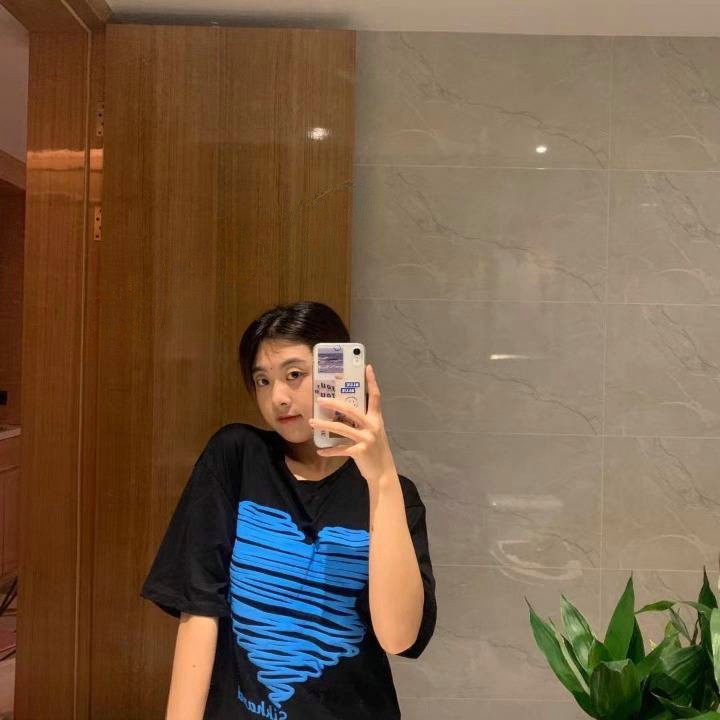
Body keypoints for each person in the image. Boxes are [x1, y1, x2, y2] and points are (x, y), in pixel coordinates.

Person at [141, 300, 437, 720]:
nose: (277, 397)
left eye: (294, 374)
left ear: (341, 374)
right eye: (262, 380)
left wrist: (383, 478)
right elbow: (200, 607)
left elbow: (398, 637)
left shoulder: (393, 495)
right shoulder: (237, 457)